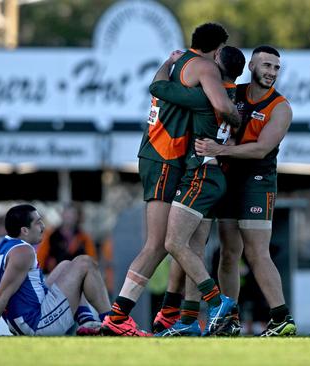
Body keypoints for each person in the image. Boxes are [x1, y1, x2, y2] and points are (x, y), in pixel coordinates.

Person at [100, 22, 240, 337]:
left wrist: (167, 62)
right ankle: (120, 317)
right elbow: (216, 104)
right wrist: (234, 117)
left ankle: (172, 314)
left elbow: (158, 86)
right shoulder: (205, 71)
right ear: (216, 50)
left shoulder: (179, 64)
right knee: (163, 243)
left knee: (182, 242)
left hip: (165, 158)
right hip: (165, 158)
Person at [194, 45, 297, 336]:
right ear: (251, 66)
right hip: (228, 179)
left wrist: (219, 150)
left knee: (256, 251)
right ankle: (230, 319)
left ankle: (280, 318)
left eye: (276, 67)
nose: (271, 72)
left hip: (257, 182)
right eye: (266, 65)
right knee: (228, 253)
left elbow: (262, 149)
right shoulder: (232, 93)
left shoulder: (281, 108)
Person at [145, 45, 246, 337]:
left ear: (216, 64)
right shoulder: (234, 97)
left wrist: (170, 61)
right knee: (195, 248)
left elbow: (158, 87)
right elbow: (234, 124)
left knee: (173, 243)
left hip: (201, 176)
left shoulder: (204, 96)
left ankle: (218, 303)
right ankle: (188, 321)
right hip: (215, 175)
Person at [0, 204, 111, 336]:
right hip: (37, 324)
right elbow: (2, 296)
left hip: (24, 322)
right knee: (85, 262)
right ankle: (112, 322)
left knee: (65, 265)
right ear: (25, 230)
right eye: (38, 222)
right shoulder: (24, 251)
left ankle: (86, 321)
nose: (43, 226)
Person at [36, 204, 97, 274]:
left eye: (72, 214)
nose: (69, 217)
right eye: (67, 214)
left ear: (77, 217)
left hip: (78, 276)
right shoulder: (51, 236)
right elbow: (40, 258)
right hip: (54, 277)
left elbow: (92, 260)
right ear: (62, 215)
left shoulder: (84, 238)